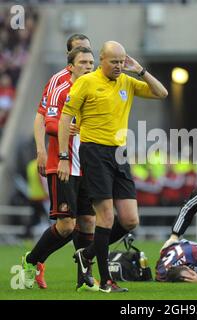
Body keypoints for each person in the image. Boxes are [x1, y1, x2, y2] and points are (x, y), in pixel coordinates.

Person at [57, 41, 168, 293]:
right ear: (102, 60)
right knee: (105, 216)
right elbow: (65, 118)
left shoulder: (127, 82)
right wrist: (64, 155)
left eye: (122, 61)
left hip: (119, 153)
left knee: (129, 219)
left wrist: (139, 70)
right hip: (94, 151)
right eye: (114, 62)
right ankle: (106, 280)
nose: (119, 66)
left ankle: (87, 254)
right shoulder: (86, 82)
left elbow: (162, 93)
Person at [21, 47, 98, 291]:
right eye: (83, 62)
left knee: (88, 223)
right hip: (63, 165)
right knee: (66, 225)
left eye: (91, 62)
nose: (88, 66)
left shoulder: (97, 88)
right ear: (71, 66)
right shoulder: (61, 86)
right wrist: (66, 128)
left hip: (89, 166)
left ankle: (84, 279)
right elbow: (49, 119)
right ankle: (32, 260)